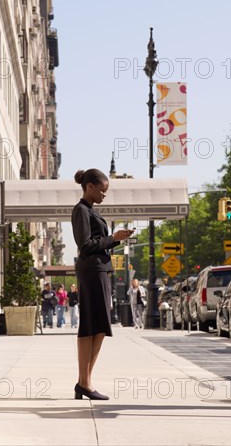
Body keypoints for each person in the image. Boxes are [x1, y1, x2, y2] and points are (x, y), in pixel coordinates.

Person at [71, 168, 134, 401]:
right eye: (102, 190)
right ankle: (84, 382)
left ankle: (84, 382)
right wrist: (113, 238)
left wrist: (115, 240)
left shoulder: (90, 210)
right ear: (89, 187)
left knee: (99, 326)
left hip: (100, 271)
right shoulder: (80, 210)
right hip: (91, 272)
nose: (104, 195)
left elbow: (97, 243)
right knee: (90, 325)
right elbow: (85, 244)